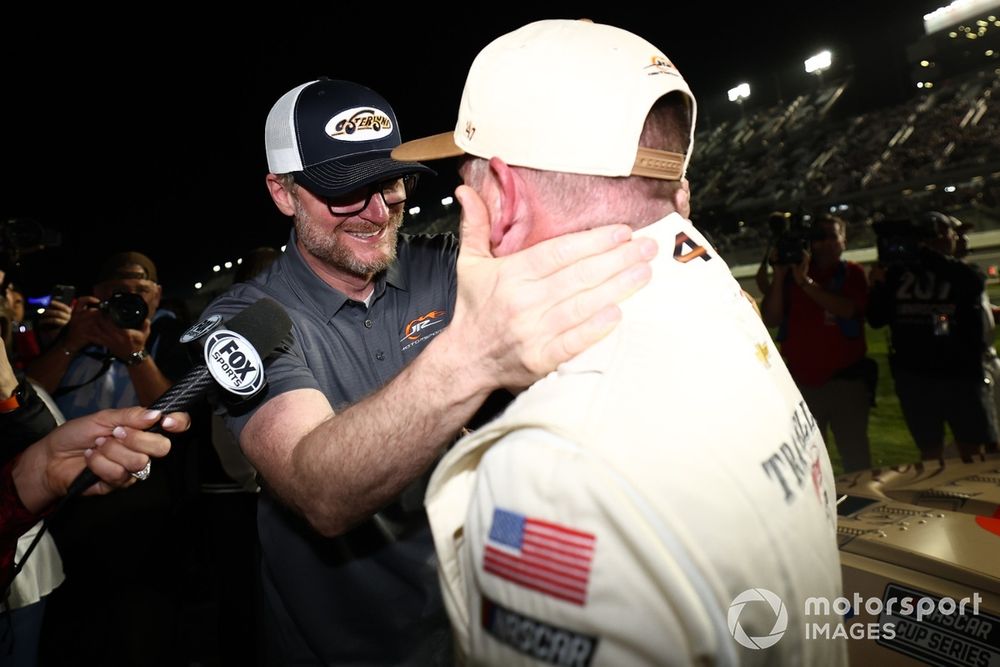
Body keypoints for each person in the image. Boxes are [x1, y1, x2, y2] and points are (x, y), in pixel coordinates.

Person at [394, 19, 846, 665]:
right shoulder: (721, 299)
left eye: (464, 176)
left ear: (506, 192)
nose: (463, 195)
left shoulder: (551, 468)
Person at [201, 79, 656, 665]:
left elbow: (593, 262)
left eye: (391, 183)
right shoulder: (241, 320)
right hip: (332, 647)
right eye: (346, 192)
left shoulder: (447, 266)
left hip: (473, 623)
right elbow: (319, 490)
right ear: (282, 193)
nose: (377, 211)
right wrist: (473, 355)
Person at [869, 211, 999, 461]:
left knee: (973, 450)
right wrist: (877, 285)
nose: (946, 238)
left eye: (945, 233)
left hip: (961, 376)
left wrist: (923, 253)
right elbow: (876, 319)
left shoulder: (963, 273)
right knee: (930, 451)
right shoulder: (898, 273)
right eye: (943, 233)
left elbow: (972, 284)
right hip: (916, 377)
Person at [759, 214, 873, 472]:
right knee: (809, 463)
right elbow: (772, 318)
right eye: (819, 237)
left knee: (855, 455)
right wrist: (778, 276)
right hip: (802, 385)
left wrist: (804, 283)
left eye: (832, 236)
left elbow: (847, 310)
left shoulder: (852, 273)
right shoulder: (789, 279)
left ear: (844, 241)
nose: (825, 243)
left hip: (846, 382)